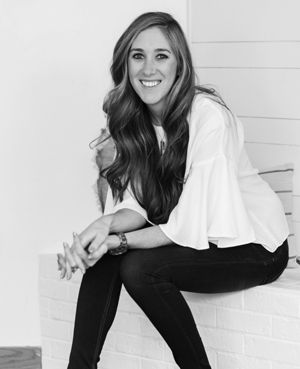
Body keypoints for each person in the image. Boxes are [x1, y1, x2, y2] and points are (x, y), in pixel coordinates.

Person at [57, 11, 289, 369]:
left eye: (161, 56)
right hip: (200, 240)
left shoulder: (208, 116)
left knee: (137, 267)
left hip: (255, 246)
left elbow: (188, 223)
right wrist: (96, 231)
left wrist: (116, 241)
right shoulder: (135, 121)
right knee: (110, 255)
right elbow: (136, 209)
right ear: (126, 64)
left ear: (180, 65)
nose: (148, 69)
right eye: (138, 56)